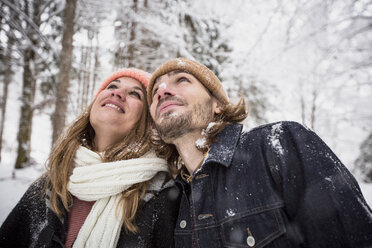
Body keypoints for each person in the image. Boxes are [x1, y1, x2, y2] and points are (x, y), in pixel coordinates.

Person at [146, 57, 372, 248]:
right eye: (155, 91)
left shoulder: (281, 143)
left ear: (218, 105)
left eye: (182, 80)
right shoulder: (168, 201)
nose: (162, 92)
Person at [0, 68, 180, 248]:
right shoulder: (50, 185)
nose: (117, 93)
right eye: (112, 86)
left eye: (135, 93)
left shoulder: (162, 196)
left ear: (150, 121)